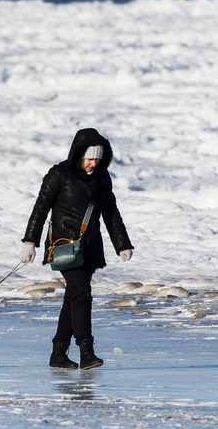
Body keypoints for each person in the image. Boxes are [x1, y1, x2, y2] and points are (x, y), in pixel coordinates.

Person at [19, 128, 133, 370]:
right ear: (77, 153)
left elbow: (110, 212)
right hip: (63, 247)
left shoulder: (102, 178)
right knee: (81, 294)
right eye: (89, 158)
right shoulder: (58, 174)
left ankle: (58, 353)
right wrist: (30, 243)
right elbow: (40, 209)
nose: (93, 163)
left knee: (72, 298)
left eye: (98, 158)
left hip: (89, 248)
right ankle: (86, 351)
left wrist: (122, 243)